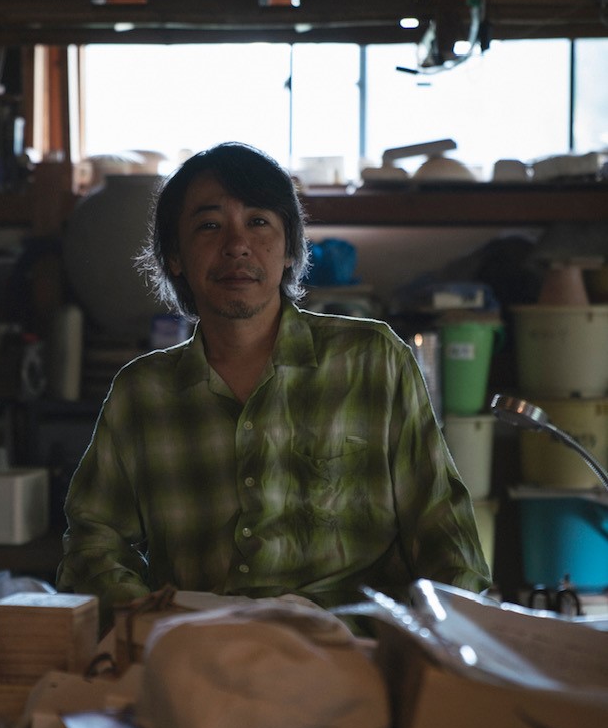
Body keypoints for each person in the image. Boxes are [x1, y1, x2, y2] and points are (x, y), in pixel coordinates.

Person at [56, 141, 491, 629]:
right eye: (209, 226)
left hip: (352, 653)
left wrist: (432, 644)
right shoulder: (142, 393)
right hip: (202, 653)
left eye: (259, 222)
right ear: (175, 256)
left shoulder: (373, 362)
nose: (237, 245)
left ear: (288, 251)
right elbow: (93, 543)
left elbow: (444, 536)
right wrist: (153, 622)